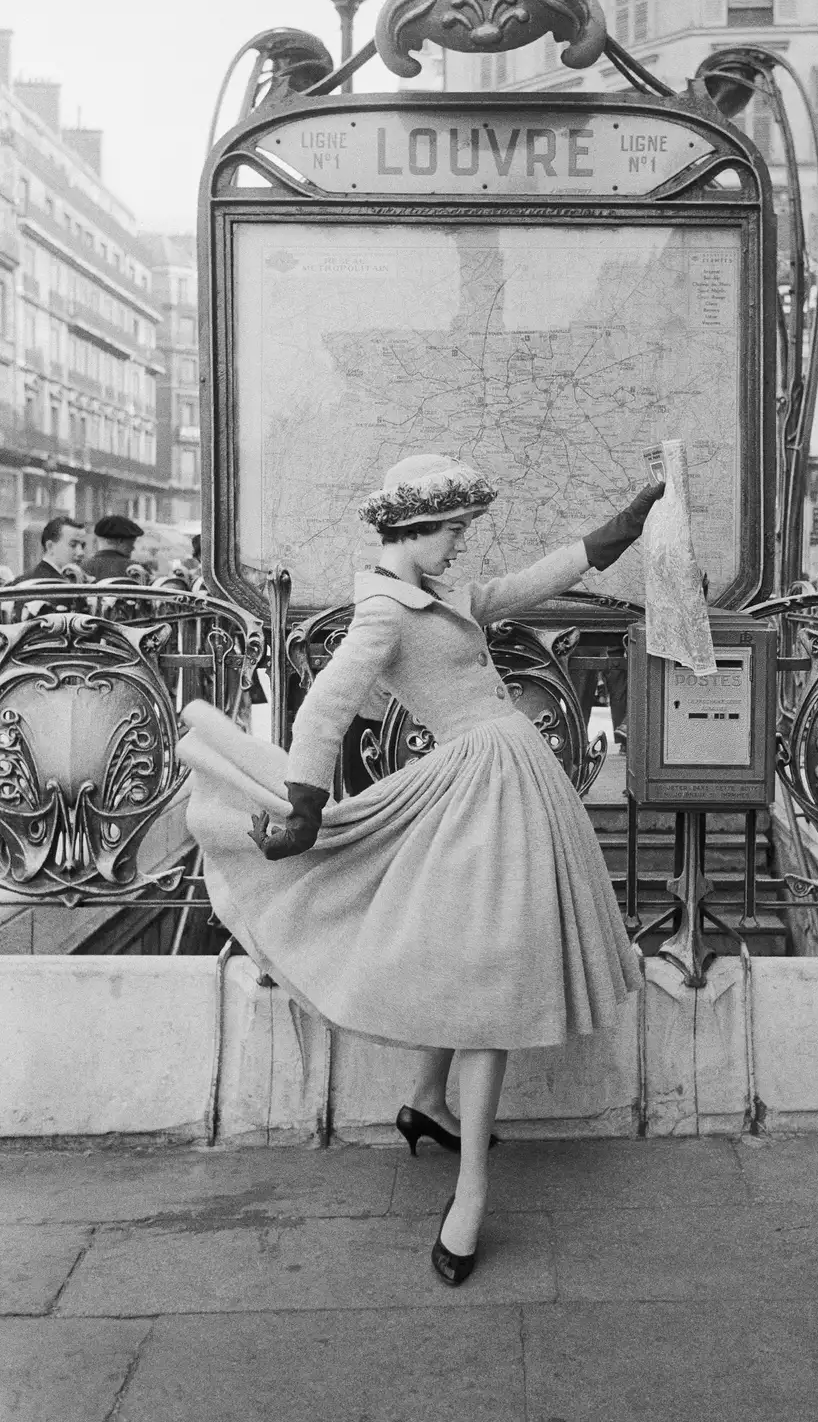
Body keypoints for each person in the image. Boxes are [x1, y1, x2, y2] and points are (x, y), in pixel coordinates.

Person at [178, 454, 662, 1287]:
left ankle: (426, 1104)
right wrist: (301, 801)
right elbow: (330, 703)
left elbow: (529, 583)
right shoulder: (382, 608)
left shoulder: (439, 596)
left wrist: (625, 522)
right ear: (411, 531)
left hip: (503, 782)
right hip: (480, 784)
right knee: (489, 978)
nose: (460, 548)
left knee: (467, 953)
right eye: (451, 533)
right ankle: (470, 1190)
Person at [15, 516, 87, 582]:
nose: (81, 553)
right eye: (73, 545)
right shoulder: (62, 587)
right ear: (50, 546)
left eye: (82, 546)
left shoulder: (19, 582)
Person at [82, 514, 143, 580]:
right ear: (120, 541)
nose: (133, 548)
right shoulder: (137, 570)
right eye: (131, 543)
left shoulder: (82, 569)